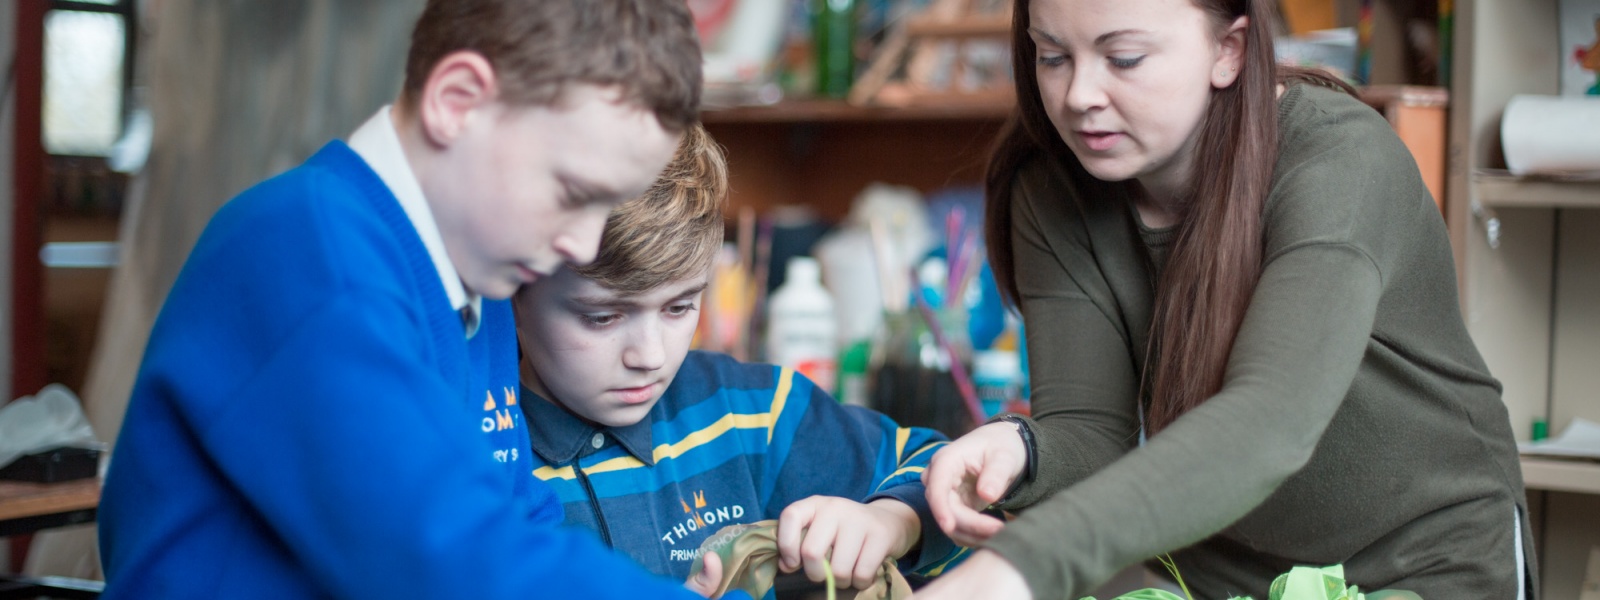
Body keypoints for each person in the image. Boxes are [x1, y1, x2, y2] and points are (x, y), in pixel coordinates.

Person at [914, 0, 1533, 598]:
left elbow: (1268, 422)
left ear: (1228, 50)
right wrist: (1023, 449)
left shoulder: (1341, 159)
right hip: (1220, 580)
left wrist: (1030, 564)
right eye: (1052, 56)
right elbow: (1089, 432)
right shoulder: (1051, 189)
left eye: (1124, 58)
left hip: (1421, 567)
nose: (1079, 96)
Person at [97, 1, 714, 598]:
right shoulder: (308, 252)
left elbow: (518, 520)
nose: (582, 243)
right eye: (574, 191)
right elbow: (451, 560)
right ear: (458, 102)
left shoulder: (480, 281)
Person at [511, 124, 966, 597]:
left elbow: (954, 477)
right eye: (602, 317)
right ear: (514, 289)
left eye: (679, 307)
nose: (649, 356)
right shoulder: (471, 458)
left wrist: (893, 519)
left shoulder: (754, 412)